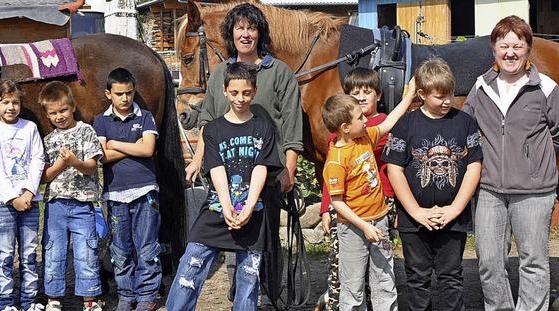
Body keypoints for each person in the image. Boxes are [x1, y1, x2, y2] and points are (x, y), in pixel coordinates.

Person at [183, 3, 303, 305]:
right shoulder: (222, 73)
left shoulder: (278, 72)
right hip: (227, 171)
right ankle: (241, 297)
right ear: (231, 33)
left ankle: (269, 297)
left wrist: (289, 166)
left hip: (267, 171)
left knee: (266, 240)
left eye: (251, 28)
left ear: (259, 32)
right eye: (240, 28)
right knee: (233, 233)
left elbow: (291, 121)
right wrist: (199, 159)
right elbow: (207, 118)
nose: (246, 34)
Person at [462, 15, 559, 310]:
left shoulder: (546, 88)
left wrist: (536, 162)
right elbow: (464, 129)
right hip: (490, 189)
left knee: (533, 262)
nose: (510, 53)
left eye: (518, 46)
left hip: (534, 191)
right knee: (489, 262)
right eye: (504, 45)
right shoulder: (481, 87)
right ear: (494, 49)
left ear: (528, 49)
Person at [167, 62, 281, 311]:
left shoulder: (263, 128)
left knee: (248, 279)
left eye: (246, 93)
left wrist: (249, 207)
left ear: (255, 90)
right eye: (235, 93)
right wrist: (228, 206)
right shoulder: (213, 129)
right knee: (191, 265)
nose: (240, 99)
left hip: (253, 212)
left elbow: (261, 167)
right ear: (224, 91)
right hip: (217, 209)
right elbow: (216, 169)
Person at [382, 58, 482, 310]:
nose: (447, 101)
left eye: (450, 94)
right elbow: (394, 170)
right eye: (440, 96)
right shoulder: (405, 125)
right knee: (417, 279)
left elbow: (473, 167)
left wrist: (456, 209)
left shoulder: (465, 122)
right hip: (413, 221)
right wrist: (415, 211)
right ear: (422, 94)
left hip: (453, 218)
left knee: (452, 278)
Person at [322, 77, 415, 310]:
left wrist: (410, 96)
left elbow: (389, 122)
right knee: (353, 286)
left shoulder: (364, 138)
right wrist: (363, 225)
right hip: (353, 228)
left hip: (379, 221)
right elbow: (337, 203)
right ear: (345, 127)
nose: (366, 119)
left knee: (384, 278)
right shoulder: (335, 161)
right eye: (360, 118)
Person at [92, 68, 162, 311]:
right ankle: (126, 294)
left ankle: (147, 295)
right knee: (120, 249)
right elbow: (102, 156)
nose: (125, 98)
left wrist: (115, 144)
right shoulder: (101, 120)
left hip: (145, 191)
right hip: (115, 194)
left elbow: (148, 150)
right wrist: (134, 145)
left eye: (129, 93)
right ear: (108, 93)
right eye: (119, 93)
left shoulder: (145, 117)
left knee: (147, 247)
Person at [39, 81, 103, 311]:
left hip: (83, 202)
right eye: (53, 113)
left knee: (86, 251)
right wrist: (60, 164)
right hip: (55, 203)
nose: (59, 116)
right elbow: (44, 177)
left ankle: (90, 298)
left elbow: (91, 167)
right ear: (47, 114)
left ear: (73, 106)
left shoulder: (86, 131)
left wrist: (74, 161)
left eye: (63, 110)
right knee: (53, 249)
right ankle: (53, 298)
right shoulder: (48, 141)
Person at [0, 81, 46, 311]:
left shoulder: (29, 128)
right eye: (5, 102)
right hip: (3, 202)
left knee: (30, 252)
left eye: (15, 102)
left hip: (30, 200)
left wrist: (29, 192)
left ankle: (29, 300)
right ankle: (4, 302)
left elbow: (38, 159)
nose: (10, 107)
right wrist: (13, 197)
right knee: (5, 253)